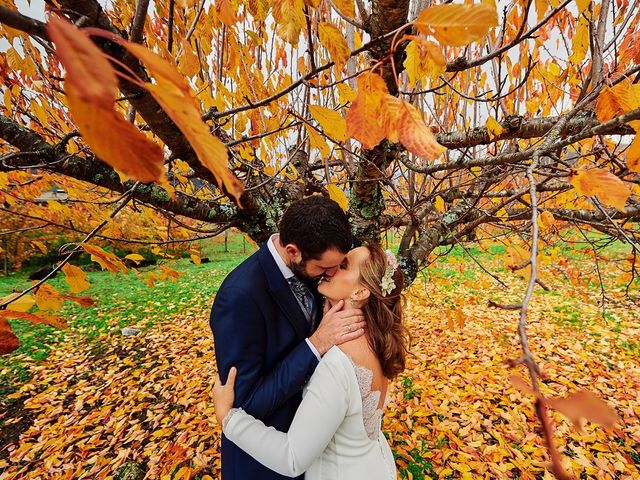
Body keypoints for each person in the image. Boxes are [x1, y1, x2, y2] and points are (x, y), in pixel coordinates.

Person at [213, 243, 409, 480]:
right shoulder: (378, 340)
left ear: (360, 293)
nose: (331, 269)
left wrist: (229, 418)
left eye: (343, 266)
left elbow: (292, 458)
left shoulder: (338, 363)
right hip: (374, 465)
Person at [210, 195, 367, 480]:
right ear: (293, 251)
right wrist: (316, 344)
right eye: (324, 268)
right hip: (264, 461)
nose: (331, 274)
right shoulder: (240, 296)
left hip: (309, 446)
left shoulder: (312, 269)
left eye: (340, 265)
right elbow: (246, 402)